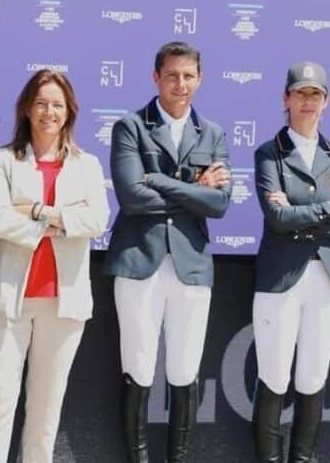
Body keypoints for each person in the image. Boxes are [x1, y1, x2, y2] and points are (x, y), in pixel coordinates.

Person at [0, 70, 110, 463]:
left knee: (46, 411)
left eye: (57, 105)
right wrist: (64, 221)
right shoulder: (2, 160)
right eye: (42, 103)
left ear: (69, 113)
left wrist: (35, 211)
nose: (49, 112)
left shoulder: (88, 165)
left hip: (63, 305)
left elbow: (97, 221)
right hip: (5, 300)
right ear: (27, 109)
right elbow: (0, 221)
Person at [104, 41, 232, 463]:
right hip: (140, 261)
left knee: (184, 371)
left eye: (188, 75)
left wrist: (157, 180)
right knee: (138, 368)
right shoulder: (130, 127)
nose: (181, 84)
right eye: (172, 75)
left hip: (191, 267)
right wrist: (196, 189)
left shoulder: (211, 133)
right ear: (156, 77)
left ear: (200, 79)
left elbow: (220, 204)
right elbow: (131, 197)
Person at [250, 62, 330, 463]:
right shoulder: (269, 154)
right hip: (280, 279)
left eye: (315, 94)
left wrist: (306, 211)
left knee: (313, 378)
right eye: (300, 93)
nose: (307, 102)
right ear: (286, 98)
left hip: (326, 280)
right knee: (275, 378)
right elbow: (277, 218)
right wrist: (329, 208)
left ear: (326, 101)